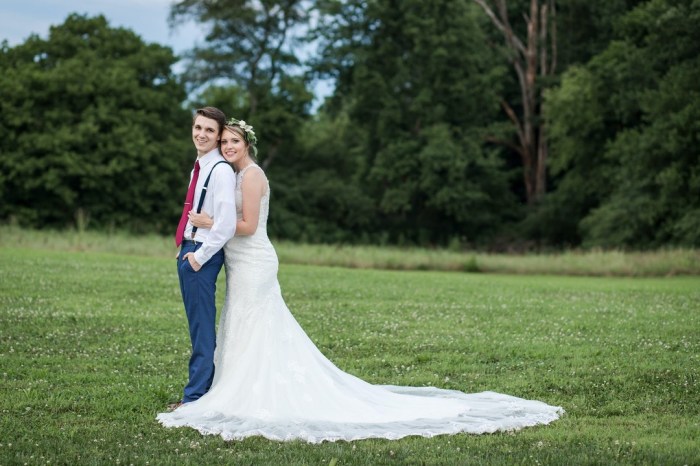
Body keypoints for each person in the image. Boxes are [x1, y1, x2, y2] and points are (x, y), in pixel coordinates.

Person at [158, 118, 563, 442]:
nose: (227, 147)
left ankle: (248, 391)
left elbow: (244, 225)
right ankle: (233, 386)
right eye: (224, 141)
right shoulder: (232, 172)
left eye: (233, 141)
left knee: (255, 322)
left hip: (254, 259)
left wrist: (210, 222)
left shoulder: (251, 176)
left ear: (246, 145)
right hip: (243, 262)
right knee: (244, 323)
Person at [171, 107, 237, 410]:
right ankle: (199, 391)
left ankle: (195, 397)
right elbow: (194, 209)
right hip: (189, 247)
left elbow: (225, 224)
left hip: (201, 255)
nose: (201, 134)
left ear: (218, 135)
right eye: (198, 127)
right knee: (196, 325)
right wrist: (183, 242)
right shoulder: (199, 166)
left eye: (210, 130)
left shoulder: (220, 170)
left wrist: (198, 256)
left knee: (201, 328)